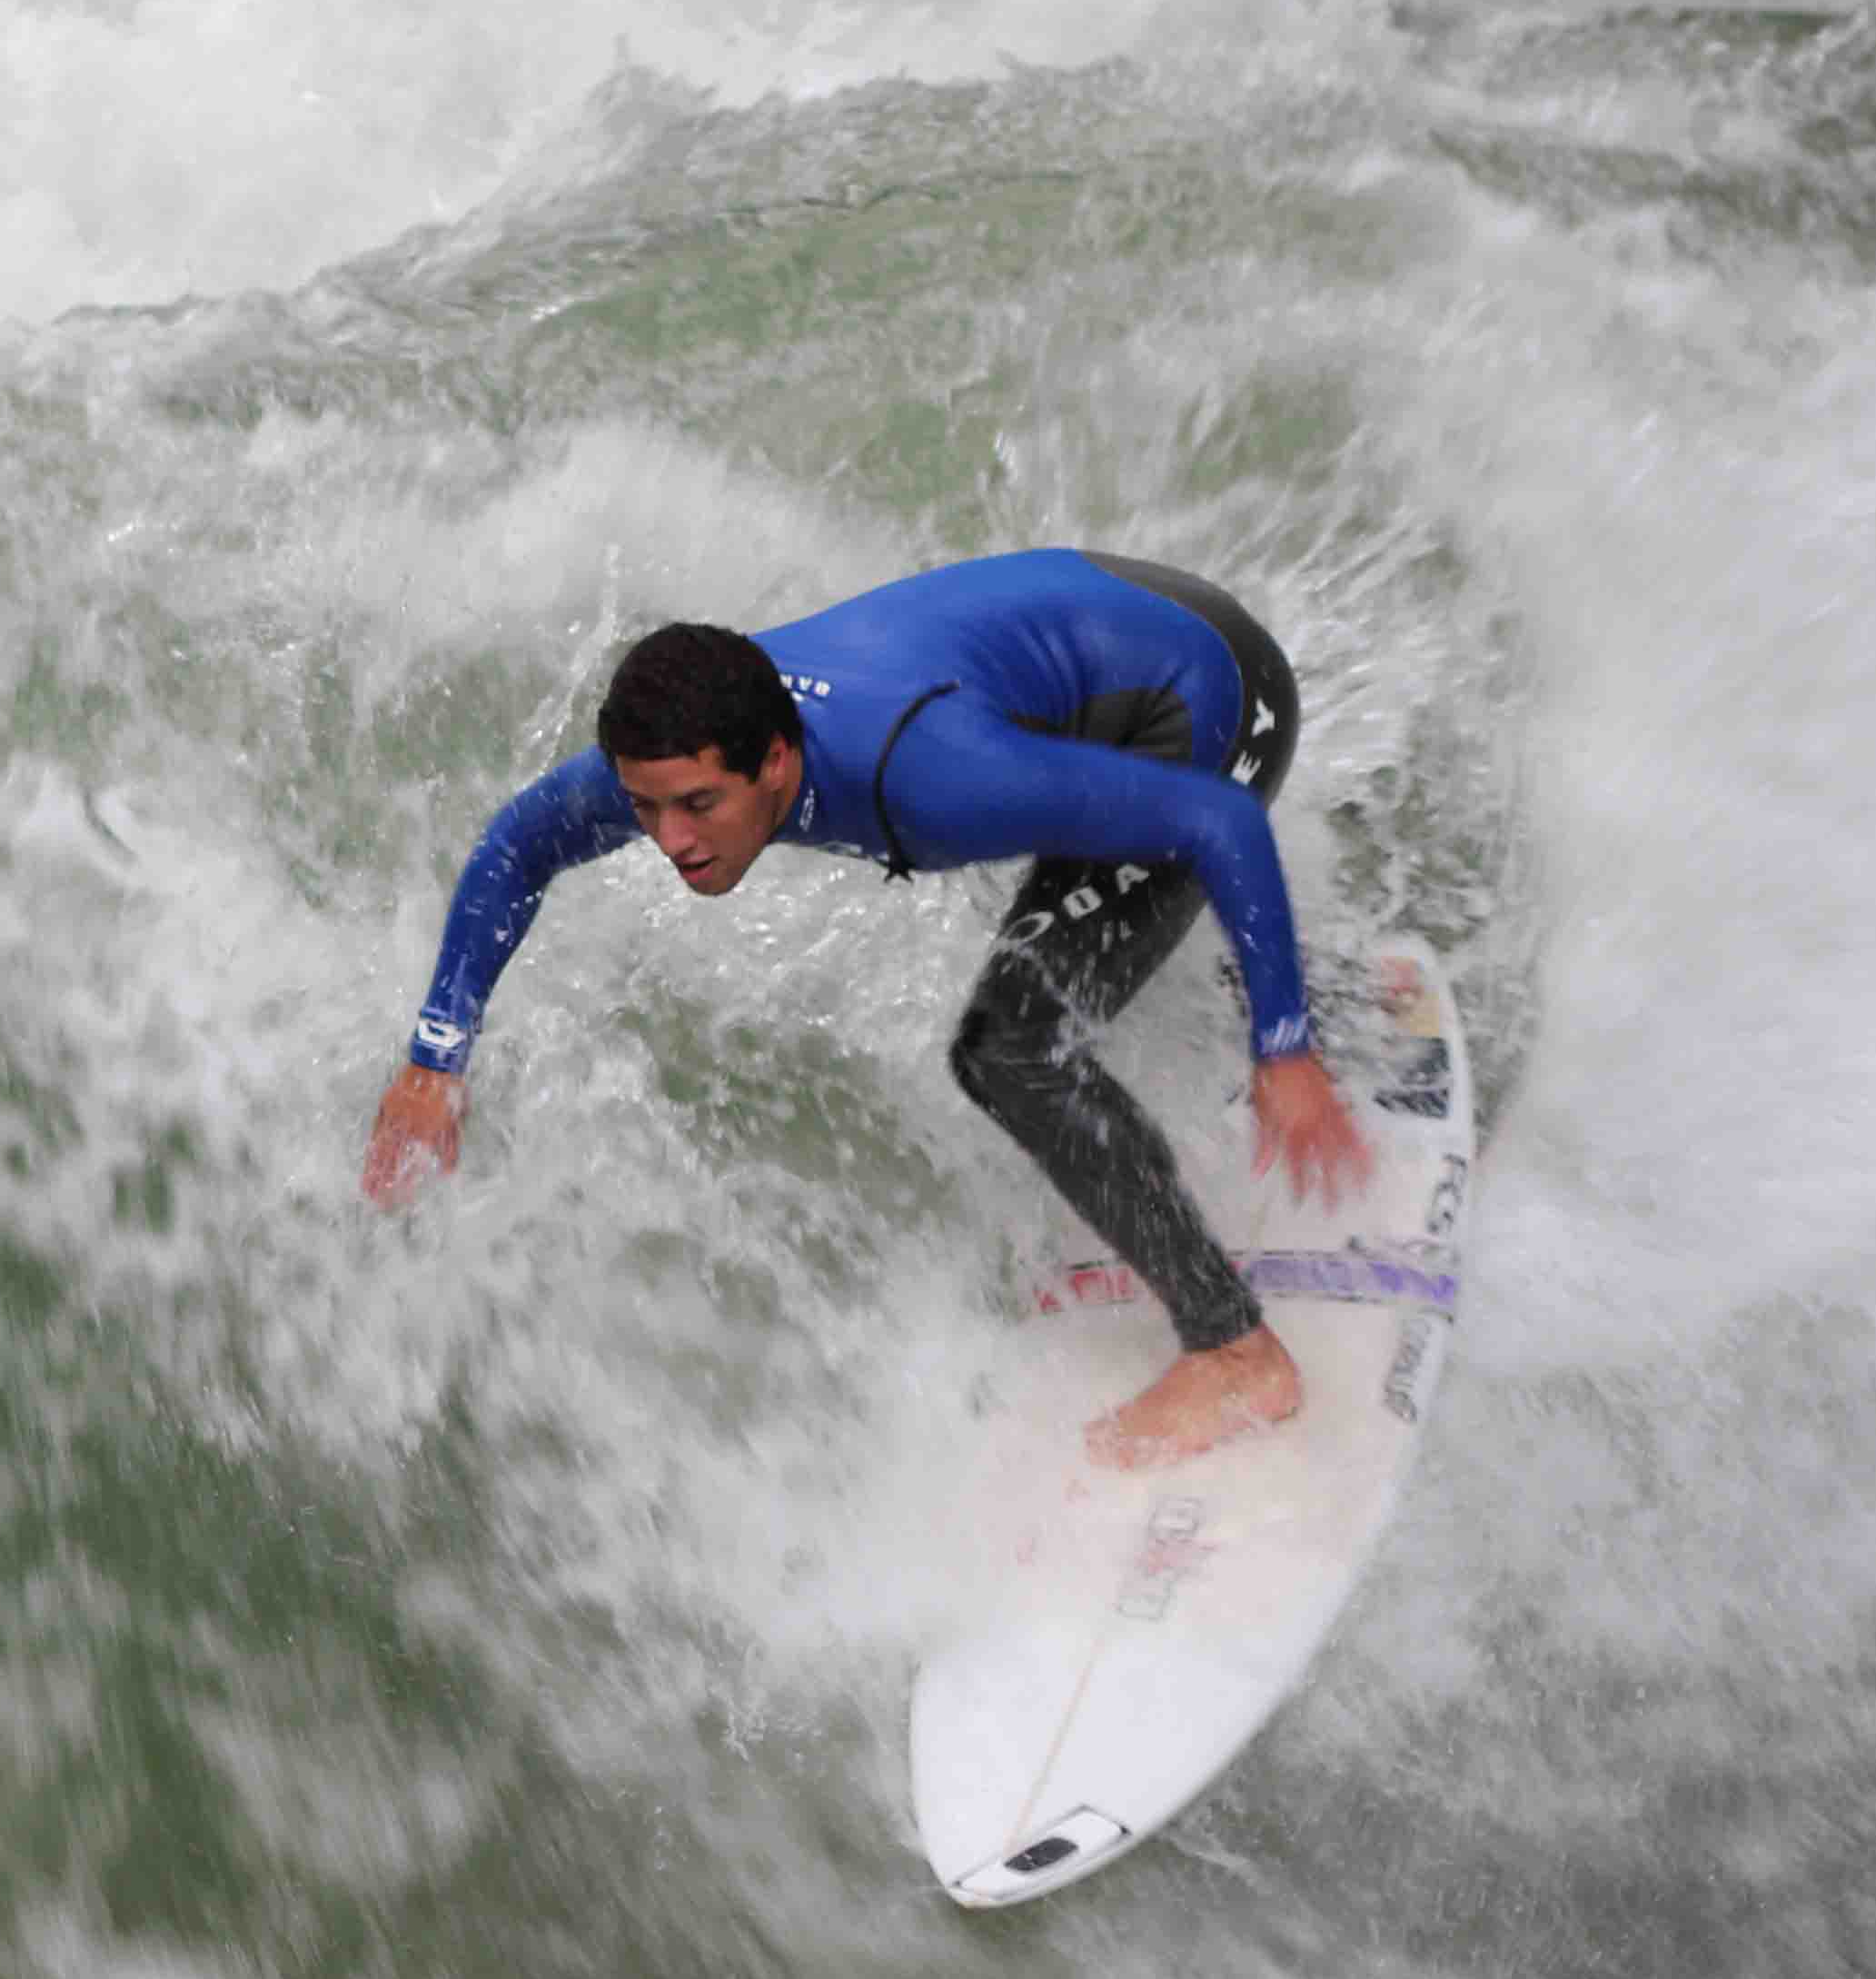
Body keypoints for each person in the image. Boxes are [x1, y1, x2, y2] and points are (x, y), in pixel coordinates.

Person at [361, 548, 1368, 1467]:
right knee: (1048, 901)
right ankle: (1291, 978)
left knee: (1008, 1048)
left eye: (699, 807)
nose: (670, 841)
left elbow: (1218, 817)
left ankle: (1236, 1350)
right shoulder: (682, 752)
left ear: (777, 764)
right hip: (1112, 636)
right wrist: (433, 1064)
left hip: (1208, 705)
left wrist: (1285, 1051)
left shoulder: (929, 781)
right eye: (645, 809)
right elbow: (513, 849)